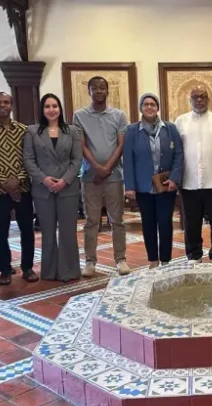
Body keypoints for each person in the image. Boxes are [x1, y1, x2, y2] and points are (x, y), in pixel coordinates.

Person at [0, 92, 38, 286]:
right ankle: (4, 269)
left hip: (23, 188)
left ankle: (27, 267)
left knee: (27, 229)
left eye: (6, 102)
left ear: (11, 105)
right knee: (1, 231)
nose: (2, 105)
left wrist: (18, 180)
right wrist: (5, 182)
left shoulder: (23, 130)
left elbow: (29, 158)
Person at [73, 76, 130, 277]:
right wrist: (97, 168)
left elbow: (121, 145)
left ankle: (120, 259)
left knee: (117, 220)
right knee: (91, 221)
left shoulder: (119, 115)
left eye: (102, 87)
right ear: (89, 91)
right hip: (90, 177)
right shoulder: (79, 116)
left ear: (107, 91)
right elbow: (81, 145)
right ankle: (90, 261)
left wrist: (106, 168)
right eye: (94, 88)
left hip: (114, 176)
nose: (98, 91)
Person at [23, 94, 83, 282]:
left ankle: (69, 271)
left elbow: (77, 159)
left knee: (68, 232)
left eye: (55, 106)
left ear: (60, 109)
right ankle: (49, 272)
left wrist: (64, 180)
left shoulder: (72, 131)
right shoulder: (32, 131)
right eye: (47, 106)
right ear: (42, 110)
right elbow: (28, 160)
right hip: (43, 189)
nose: (51, 110)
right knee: (48, 233)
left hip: (68, 188)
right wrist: (44, 179)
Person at [123, 93, 183, 268]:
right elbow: (128, 159)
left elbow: (179, 155)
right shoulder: (132, 130)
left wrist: (174, 179)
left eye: (153, 104)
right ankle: (153, 260)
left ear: (158, 108)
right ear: (141, 108)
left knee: (165, 222)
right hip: (143, 187)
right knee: (148, 224)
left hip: (165, 186)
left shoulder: (170, 129)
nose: (149, 107)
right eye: (146, 104)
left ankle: (165, 260)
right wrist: (130, 186)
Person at [174, 86, 212, 264]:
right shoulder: (180, 121)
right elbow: (176, 152)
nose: (199, 100)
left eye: (203, 97)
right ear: (189, 100)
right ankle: (194, 254)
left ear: (208, 99)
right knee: (191, 221)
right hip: (189, 181)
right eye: (195, 97)